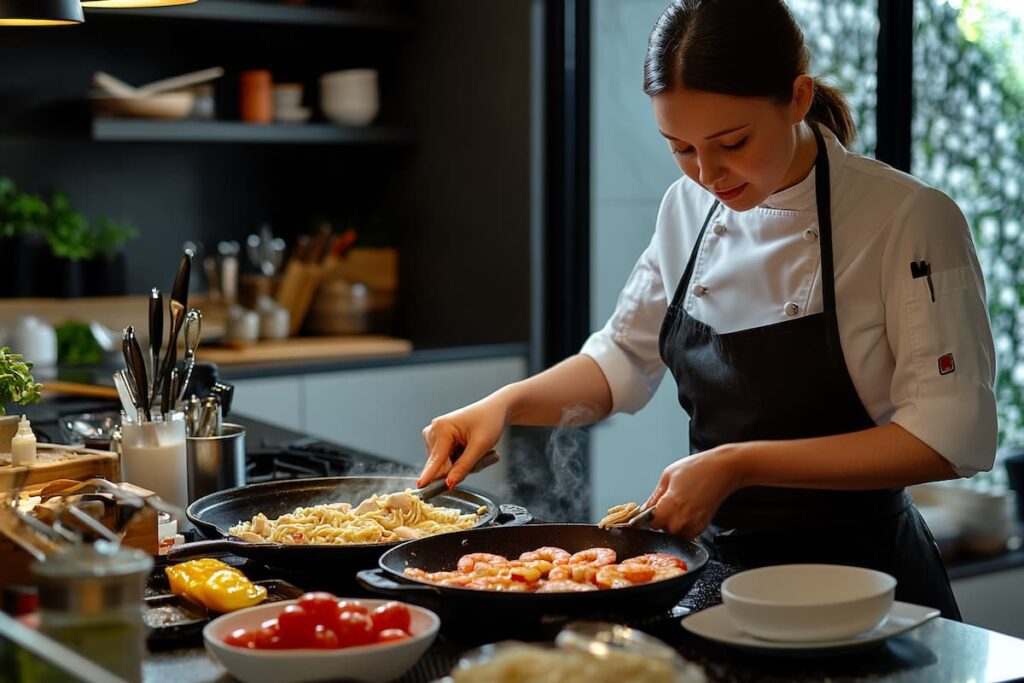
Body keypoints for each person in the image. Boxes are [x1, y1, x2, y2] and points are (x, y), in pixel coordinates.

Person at [417, 0, 996, 620]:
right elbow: (620, 362)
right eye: (680, 149)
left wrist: (738, 464)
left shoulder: (909, 219)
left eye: (733, 142)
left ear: (798, 98)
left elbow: (951, 438)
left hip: (869, 589)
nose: (708, 174)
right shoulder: (687, 207)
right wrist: (502, 405)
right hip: (722, 580)